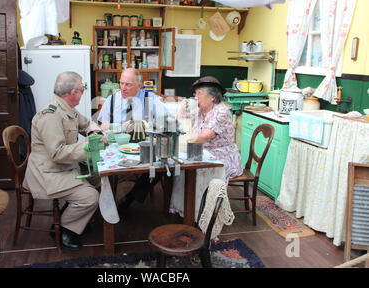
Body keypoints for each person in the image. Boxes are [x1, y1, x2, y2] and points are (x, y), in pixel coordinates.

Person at [24, 71, 105, 250]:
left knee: (98, 176)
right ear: (72, 92)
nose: (84, 91)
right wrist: (90, 147)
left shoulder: (67, 109)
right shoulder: (51, 115)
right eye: (82, 88)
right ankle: (62, 230)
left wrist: (94, 134)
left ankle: (75, 218)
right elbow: (57, 153)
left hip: (63, 167)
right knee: (91, 197)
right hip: (47, 173)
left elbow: (87, 124)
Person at [98, 68, 167, 213]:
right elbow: (102, 126)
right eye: (121, 83)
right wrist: (106, 127)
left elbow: (164, 120)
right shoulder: (111, 100)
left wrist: (146, 124)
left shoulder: (150, 98)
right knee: (102, 166)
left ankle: (131, 197)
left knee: (161, 163)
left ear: (139, 86)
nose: (123, 88)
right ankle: (106, 206)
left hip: (143, 146)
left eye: (128, 84)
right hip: (117, 147)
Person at [178, 76, 243, 182]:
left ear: (212, 97)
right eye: (195, 94)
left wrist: (183, 138)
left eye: (199, 93)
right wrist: (182, 109)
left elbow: (203, 137)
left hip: (222, 156)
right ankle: (188, 197)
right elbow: (180, 124)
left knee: (192, 171)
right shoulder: (199, 110)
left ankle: (206, 198)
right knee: (181, 167)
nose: (196, 97)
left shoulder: (221, 112)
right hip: (202, 152)